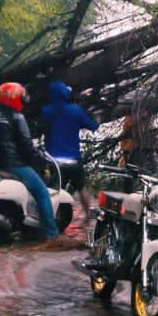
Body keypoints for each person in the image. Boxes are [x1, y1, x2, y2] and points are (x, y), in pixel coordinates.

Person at [0, 81, 61, 240]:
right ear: (14, 98)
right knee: (42, 193)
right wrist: (39, 159)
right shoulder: (17, 117)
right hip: (13, 166)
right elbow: (26, 146)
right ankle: (52, 235)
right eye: (21, 97)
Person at [40, 80, 99, 224]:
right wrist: (97, 118)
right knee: (81, 187)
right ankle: (87, 217)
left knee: (52, 190)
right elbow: (93, 126)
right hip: (73, 160)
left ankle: (48, 220)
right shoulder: (75, 110)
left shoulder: (45, 111)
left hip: (53, 161)